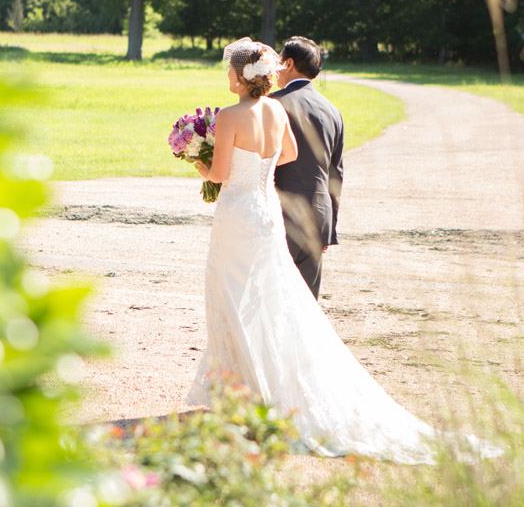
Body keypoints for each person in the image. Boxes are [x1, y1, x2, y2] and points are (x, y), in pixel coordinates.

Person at [186, 37, 490, 464]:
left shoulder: (231, 116)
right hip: (269, 212)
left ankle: (244, 392)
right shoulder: (275, 109)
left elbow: (217, 172)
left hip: (238, 215)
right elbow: (288, 153)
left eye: (229, 72)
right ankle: (269, 387)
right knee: (279, 299)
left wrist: (195, 161)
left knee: (235, 296)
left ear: (238, 77)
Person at [271, 36, 343, 300]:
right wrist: (329, 227)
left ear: (288, 64)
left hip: (281, 213)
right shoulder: (333, 111)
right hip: (320, 214)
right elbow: (337, 173)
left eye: (279, 62)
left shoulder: (272, 104)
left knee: (275, 296)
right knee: (306, 303)